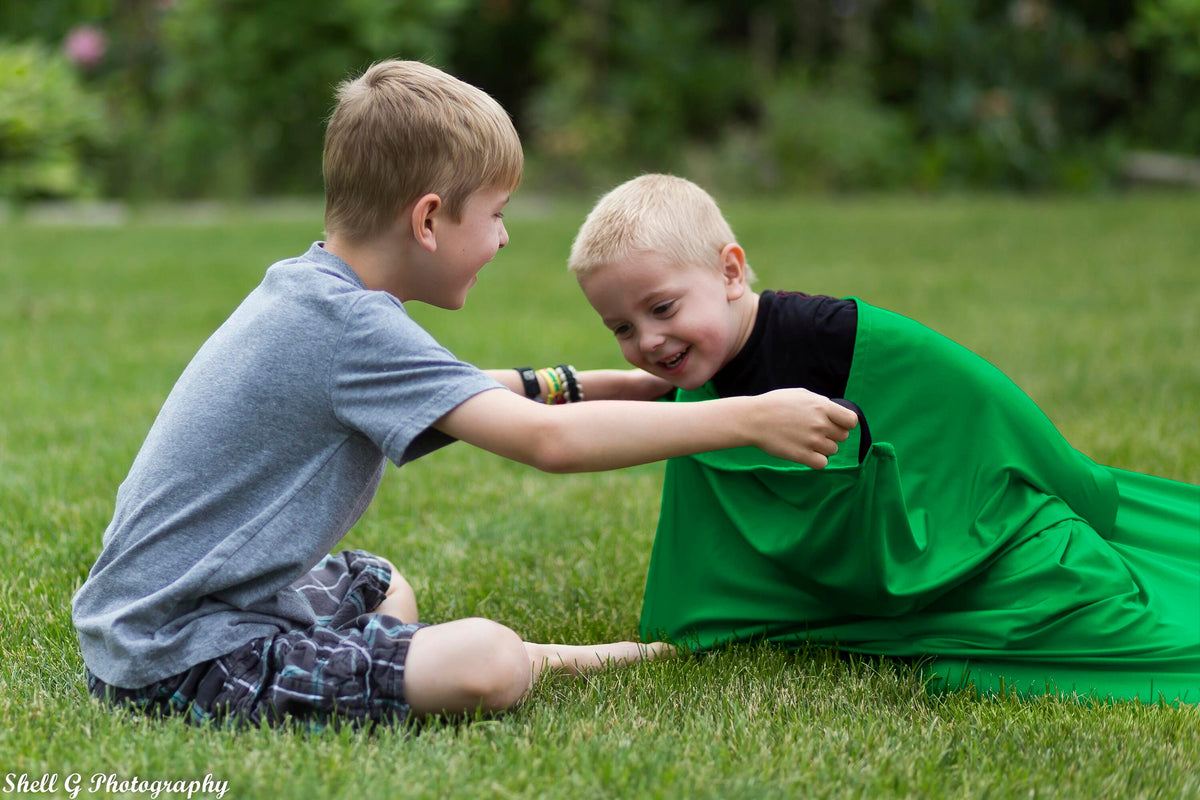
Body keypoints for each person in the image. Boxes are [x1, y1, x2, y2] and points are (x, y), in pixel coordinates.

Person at [71, 65, 859, 729]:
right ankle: (530, 659)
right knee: (487, 663)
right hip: (177, 655)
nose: (505, 237)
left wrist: (604, 383)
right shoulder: (351, 324)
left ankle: (378, 662)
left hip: (160, 611)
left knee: (379, 584)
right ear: (428, 220)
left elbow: (457, 392)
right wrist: (749, 417)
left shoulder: (314, 292)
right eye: (496, 214)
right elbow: (547, 443)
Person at [568, 173, 1200, 705]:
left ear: (730, 272)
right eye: (622, 327)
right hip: (828, 577)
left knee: (1074, 604)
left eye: (663, 309)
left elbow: (975, 397)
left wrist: (1077, 484)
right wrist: (544, 386)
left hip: (954, 538)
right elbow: (647, 401)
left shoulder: (827, 333)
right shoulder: (698, 372)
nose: (648, 341)